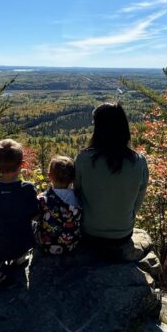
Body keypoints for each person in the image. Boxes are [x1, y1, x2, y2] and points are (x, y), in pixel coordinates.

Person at [74, 102, 148, 260]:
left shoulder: (84, 159)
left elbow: (77, 193)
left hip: (89, 233)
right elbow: (137, 202)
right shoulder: (139, 161)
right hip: (123, 235)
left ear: (98, 128)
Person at [0, 139, 39, 285]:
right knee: (33, 225)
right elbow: (34, 215)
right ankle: (19, 258)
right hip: (20, 245)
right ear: (22, 165)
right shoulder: (27, 189)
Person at [33, 156, 81, 255]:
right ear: (72, 179)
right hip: (71, 244)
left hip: (46, 245)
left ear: (49, 176)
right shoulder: (77, 197)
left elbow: (36, 217)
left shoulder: (42, 198)